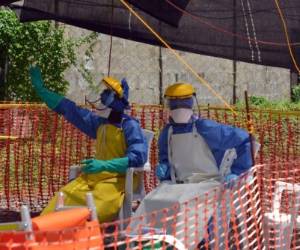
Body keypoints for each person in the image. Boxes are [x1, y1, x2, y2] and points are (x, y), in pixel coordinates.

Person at [129, 82, 253, 249]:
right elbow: (165, 158)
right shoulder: (168, 132)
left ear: (192, 102)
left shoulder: (206, 128)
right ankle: (137, 242)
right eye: (174, 103)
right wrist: (164, 168)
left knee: (180, 204)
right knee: (150, 200)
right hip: (178, 183)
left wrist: (236, 172)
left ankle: (181, 244)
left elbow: (245, 139)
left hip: (207, 183)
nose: (178, 107)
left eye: (183, 102)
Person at [29, 65, 148, 223]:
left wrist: (104, 166)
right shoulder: (100, 123)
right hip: (92, 178)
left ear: (116, 102)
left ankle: (76, 237)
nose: (100, 97)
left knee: (92, 211)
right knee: (62, 199)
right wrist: (43, 91)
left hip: (118, 182)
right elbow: (70, 110)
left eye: (105, 95)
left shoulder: (129, 125)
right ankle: (39, 232)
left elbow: (138, 158)